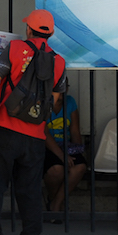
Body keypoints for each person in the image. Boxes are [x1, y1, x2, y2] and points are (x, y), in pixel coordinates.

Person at [0, 9, 66, 235]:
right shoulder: (59, 62)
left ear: (28, 30)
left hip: (4, 130)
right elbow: (55, 103)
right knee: (30, 190)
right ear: (51, 33)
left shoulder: (14, 49)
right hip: (35, 136)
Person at [43, 87, 87, 223]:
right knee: (56, 170)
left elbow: (74, 131)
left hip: (67, 146)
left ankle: (55, 203)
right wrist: (62, 156)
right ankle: (57, 203)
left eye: (64, 87)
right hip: (46, 147)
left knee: (79, 167)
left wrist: (78, 151)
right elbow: (44, 134)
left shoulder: (70, 102)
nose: (61, 91)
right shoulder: (42, 103)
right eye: (57, 87)